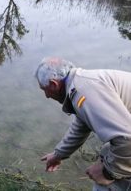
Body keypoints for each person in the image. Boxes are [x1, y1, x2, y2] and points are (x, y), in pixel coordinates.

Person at [36, 57, 131, 191]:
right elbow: (81, 125)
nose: (46, 96)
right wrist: (58, 154)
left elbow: (126, 138)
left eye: (44, 89)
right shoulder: (80, 84)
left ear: (53, 84)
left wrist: (108, 173)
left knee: (107, 183)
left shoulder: (84, 91)